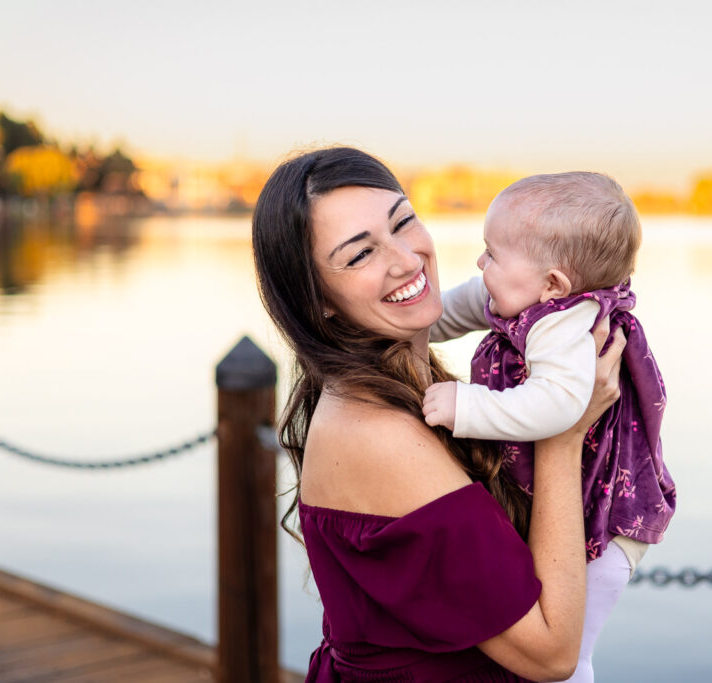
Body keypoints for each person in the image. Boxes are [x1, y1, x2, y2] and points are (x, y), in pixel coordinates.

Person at [252, 148, 626, 682]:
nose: (406, 260)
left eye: (403, 222)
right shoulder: (378, 433)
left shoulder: (407, 384)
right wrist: (565, 435)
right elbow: (551, 655)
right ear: (319, 302)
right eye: (360, 256)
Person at [422, 173, 677, 682]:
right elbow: (457, 308)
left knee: (571, 650)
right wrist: (410, 325)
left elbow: (559, 405)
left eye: (492, 254)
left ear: (554, 284)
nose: (480, 262)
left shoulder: (565, 322)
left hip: (612, 522)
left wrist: (466, 405)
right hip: (580, 494)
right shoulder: (526, 293)